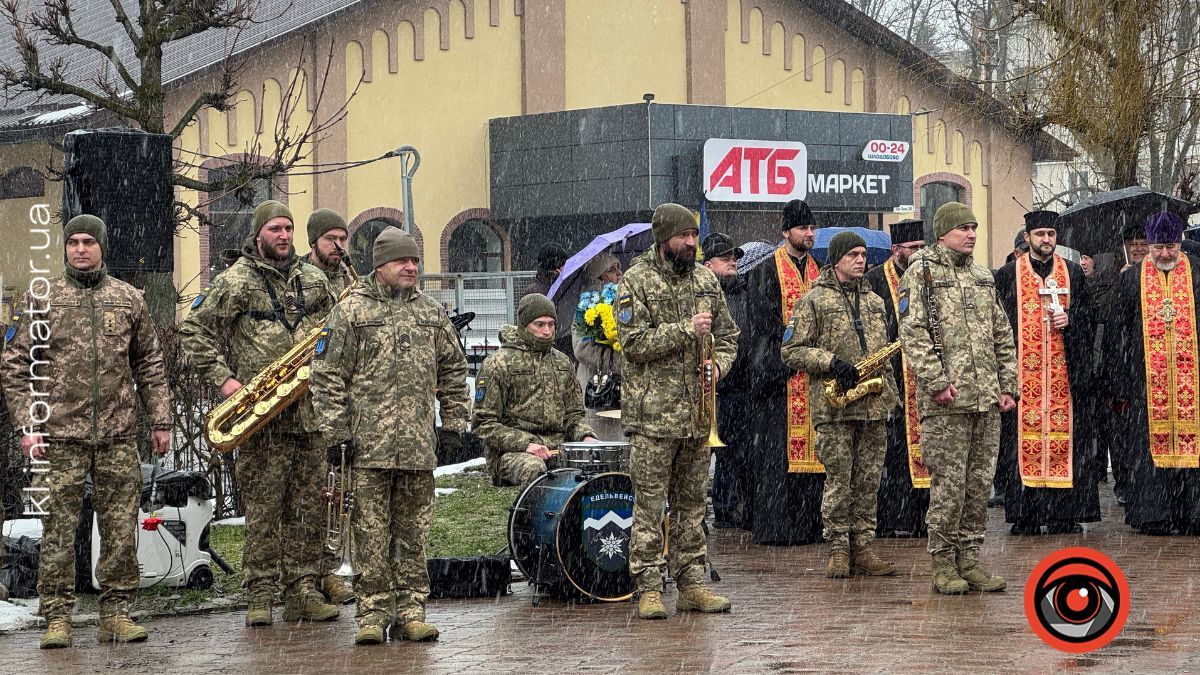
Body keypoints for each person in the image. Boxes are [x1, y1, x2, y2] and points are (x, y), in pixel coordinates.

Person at [0, 215, 172, 648]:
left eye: (88, 242)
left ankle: (116, 612)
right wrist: (27, 423)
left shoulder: (129, 299)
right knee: (57, 530)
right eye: (73, 241)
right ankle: (57, 616)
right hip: (59, 437)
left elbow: (149, 364)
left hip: (116, 434)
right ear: (65, 248)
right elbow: (14, 365)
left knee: (118, 528)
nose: (80, 249)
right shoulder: (43, 299)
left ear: (102, 248)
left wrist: (161, 419)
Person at [179, 200, 340, 627]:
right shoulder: (235, 281)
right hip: (260, 417)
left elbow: (338, 334)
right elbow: (192, 329)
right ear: (258, 235)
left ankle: (302, 590)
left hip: (311, 415)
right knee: (264, 510)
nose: (284, 236)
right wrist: (224, 379)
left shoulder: (314, 279)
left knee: (307, 510)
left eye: (288, 228)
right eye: (275, 229)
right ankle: (260, 594)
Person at [310, 226, 469, 644]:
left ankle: (411, 612)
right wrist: (337, 431)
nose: (411, 267)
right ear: (380, 265)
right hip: (368, 448)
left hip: (418, 447)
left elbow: (454, 370)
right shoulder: (352, 311)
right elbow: (326, 376)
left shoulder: (431, 313)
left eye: (415, 260)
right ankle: (373, 614)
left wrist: (453, 423)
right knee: (371, 536)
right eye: (403, 261)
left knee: (414, 535)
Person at [617, 203, 738, 620]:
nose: (691, 243)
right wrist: (685, 330)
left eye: (694, 235)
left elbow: (728, 335)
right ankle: (648, 586)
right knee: (650, 505)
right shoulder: (636, 281)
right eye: (683, 236)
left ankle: (691, 582)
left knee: (693, 505)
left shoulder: (706, 279)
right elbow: (633, 344)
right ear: (663, 237)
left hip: (697, 416)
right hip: (653, 417)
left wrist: (719, 364)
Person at [898, 202, 1017, 595]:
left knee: (979, 485)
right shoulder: (922, 272)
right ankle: (943, 564)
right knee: (949, 486)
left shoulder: (983, 277)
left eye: (974, 227)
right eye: (963, 228)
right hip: (946, 403)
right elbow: (912, 332)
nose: (971, 234)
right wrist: (935, 381)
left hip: (985, 401)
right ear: (943, 233)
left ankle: (970, 558)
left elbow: (1002, 333)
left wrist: (1007, 385)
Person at [782, 232, 899, 578]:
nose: (861, 260)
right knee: (839, 480)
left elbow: (885, 356)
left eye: (863, 254)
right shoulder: (813, 301)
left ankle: (863, 546)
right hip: (835, 407)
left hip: (873, 406)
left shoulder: (876, 302)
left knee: (867, 481)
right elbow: (790, 351)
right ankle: (838, 549)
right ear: (836, 260)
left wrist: (890, 395)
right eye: (853, 255)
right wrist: (831, 362)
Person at [993, 210, 1098, 535]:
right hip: (1023, 381)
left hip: (1064, 379)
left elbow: (1091, 314)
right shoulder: (1008, 275)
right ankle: (1026, 514)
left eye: (1051, 234)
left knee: (1066, 443)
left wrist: (1072, 319)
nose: (1046, 240)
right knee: (1019, 446)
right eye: (1040, 234)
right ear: (1027, 238)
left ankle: (1063, 513)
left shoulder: (1072, 274)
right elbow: (996, 326)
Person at [1103, 212, 1200, 534]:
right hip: (1146, 382)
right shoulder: (1132, 279)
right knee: (1148, 449)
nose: (1164, 254)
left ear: (1180, 242)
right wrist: (1120, 379)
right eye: (1158, 247)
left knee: (1193, 447)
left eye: (1170, 246)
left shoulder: (1197, 272)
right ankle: (1154, 514)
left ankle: (1193, 514)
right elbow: (1118, 332)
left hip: (1193, 383)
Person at [742, 199, 825, 545]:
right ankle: (777, 528)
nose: (808, 234)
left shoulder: (819, 270)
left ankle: (808, 526)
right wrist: (790, 353)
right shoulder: (766, 271)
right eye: (802, 228)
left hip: (812, 380)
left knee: (814, 458)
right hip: (780, 380)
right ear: (785, 232)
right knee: (777, 458)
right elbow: (763, 326)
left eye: (811, 228)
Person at [474, 294, 597, 486]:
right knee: (535, 470)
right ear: (524, 326)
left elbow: (574, 415)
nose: (546, 331)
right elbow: (483, 422)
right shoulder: (499, 363)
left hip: (558, 450)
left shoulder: (562, 362)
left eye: (551, 324)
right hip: (513, 453)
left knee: (597, 467)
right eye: (539, 325)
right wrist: (526, 444)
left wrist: (586, 436)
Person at [864, 219, 930, 537]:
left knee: (926, 450)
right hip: (890, 377)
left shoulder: (931, 277)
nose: (919, 253)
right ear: (896, 250)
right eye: (913, 249)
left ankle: (920, 519)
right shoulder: (874, 280)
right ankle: (889, 519)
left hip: (923, 376)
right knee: (891, 453)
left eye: (922, 247)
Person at [701, 234, 750, 528]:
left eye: (735, 257)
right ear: (708, 265)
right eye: (725, 258)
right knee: (703, 454)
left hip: (739, 386)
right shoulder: (701, 293)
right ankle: (702, 511)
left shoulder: (744, 290)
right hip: (709, 387)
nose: (733, 262)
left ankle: (727, 506)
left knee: (735, 452)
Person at [572, 252, 624, 439]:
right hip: (597, 390)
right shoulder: (587, 306)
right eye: (611, 270)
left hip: (622, 392)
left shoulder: (626, 302)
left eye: (618, 268)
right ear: (598, 276)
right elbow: (582, 349)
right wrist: (618, 361)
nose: (619, 274)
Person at [300, 208, 352, 296]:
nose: (338, 246)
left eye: (342, 239)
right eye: (330, 238)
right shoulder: (295, 279)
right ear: (313, 242)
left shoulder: (348, 283)